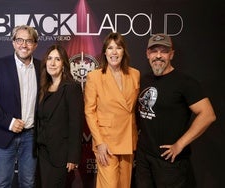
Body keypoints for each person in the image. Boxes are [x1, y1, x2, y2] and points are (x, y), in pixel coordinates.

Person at [135, 33, 216, 187]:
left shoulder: (185, 83)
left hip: (170, 162)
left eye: (164, 51)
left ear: (171, 54)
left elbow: (208, 115)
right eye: (154, 51)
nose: (158, 56)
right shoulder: (143, 80)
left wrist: (180, 144)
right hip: (144, 159)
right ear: (147, 54)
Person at [0, 25, 40, 188]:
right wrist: (10, 122)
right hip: (3, 134)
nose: (24, 45)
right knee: (3, 183)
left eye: (28, 41)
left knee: (28, 183)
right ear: (13, 43)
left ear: (35, 45)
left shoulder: (42, 69)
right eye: (19, 40)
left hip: (31, 137)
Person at [84, 32, 140, 188]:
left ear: (124, 51)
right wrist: (99, 142)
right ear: (104, 52)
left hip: (128, 137)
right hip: (106, 141)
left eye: (118, 48)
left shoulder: (135, 74)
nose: (114, 52)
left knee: (124, 184)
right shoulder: (94, 77)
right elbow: (89, 111)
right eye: (110, 48)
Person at [36, 44, 84, 188]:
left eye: (57, 59)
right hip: (42, 153)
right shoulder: (43, 88)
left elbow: (76, 124)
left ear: (64, 64)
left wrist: (73, 157)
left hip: (60, 155)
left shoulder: (71, 87)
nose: (52, 63)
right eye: (49, 58)